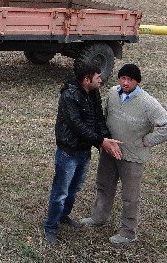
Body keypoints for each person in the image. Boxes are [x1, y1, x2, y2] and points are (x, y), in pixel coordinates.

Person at [81, 63, 167, 245]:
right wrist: (104, 139)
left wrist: (148, 141)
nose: (125, 82)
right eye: (123, 78)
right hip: (110, 151)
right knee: (103, 186)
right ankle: (98, 217)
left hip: (132, 157)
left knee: (130, 196)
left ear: (137, 82)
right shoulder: (112, 93)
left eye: (130, 80)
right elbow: (104, 116)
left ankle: (128, 232)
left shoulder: (147, 102)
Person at [43, 64, 122, 246]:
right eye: (97, 77)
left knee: (74, 188)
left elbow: (98, 119)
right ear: (86, 80)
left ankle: (64, 216)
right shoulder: (69, 96)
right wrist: (101, 141)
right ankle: (51, 227)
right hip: (68, 151)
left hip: (84, 150)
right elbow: (76, 125)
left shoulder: (93, 92)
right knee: (60, 191)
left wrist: (107, 139)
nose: (101, 80)